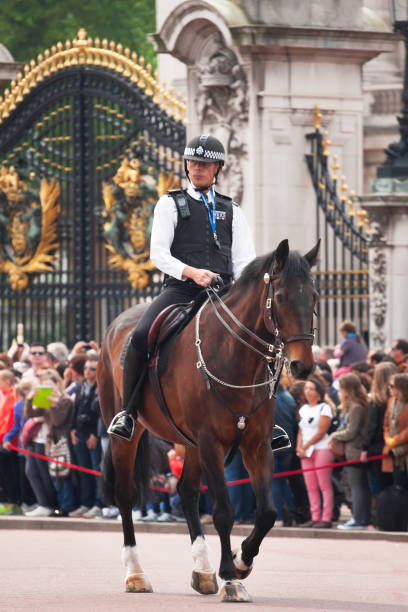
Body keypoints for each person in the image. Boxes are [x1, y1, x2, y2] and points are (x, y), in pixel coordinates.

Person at [109, 134, 256, 440]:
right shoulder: (170, 203)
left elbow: (245, 261)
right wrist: (191, 272)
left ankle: (266, 417)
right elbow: (158, 254)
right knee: (140, 334)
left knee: (262, 341)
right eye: (192, 162)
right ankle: (128, 412)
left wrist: (242, 292)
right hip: (181, 290)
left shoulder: (233, 210)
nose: (197, 168)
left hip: (224, 293)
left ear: (217, 168)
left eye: (204, 163)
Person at [330, 373, 371, 530]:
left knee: (357, 487)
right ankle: (360, 518)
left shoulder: (356, 407)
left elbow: (351, 432)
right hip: (351, 450)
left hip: (354, 450)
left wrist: (334, 435)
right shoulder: (353, 406)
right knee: (357, 486)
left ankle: (359, 519)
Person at [296, 377, 334, 528]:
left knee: (324, 484)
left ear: (318, 392)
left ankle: (326, 518)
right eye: (306, 389)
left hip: (321, 449)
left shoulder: (324, 408)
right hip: (306, 451)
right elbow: (301, 430)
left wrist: (306, 445)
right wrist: (299, 447)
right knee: (310, 485)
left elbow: (322, 431)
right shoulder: (303, 409)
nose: (308, 392)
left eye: (311, 389)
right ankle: (315, 516)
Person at [69, 356, 102, 518]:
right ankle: (85, 503)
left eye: (92, 368)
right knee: (83, 471)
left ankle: (98, 504)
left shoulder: (101, 386)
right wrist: (72, 430)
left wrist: (95, 435)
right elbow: (75, 409)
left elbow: (101, 414)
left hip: (92, 435)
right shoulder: (80, 386)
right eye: (86, 368)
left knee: (96, 470)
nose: (88, 371)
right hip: (79, 434)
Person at [360, 362, 396, 494]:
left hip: (378, 448)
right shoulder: (398, 400)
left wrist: (364, 448)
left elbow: (371, 426)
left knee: (382, 488)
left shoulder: (376, 402)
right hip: (395, 445)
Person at [382, 373, 408, 490]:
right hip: (394, 451)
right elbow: (386, 424)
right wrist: (388, 439)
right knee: (398, 485)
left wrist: (395, 440)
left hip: (404, 448)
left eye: (392, 386)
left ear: (401, 387)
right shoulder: (391, 401)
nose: (389, 388)